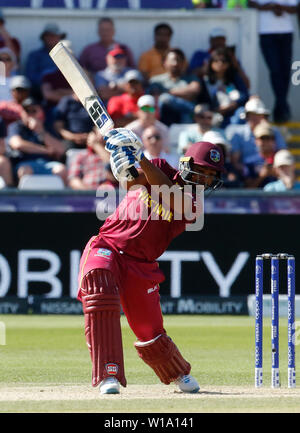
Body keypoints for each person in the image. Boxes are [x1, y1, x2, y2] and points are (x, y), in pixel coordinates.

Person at [77, 127, 225, 395]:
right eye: (202, 171)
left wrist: (140, 156)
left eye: (211, 176)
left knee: (150, 331)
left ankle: (177, 372)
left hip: (142, 265)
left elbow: (170, 196)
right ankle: (107, 374)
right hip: (108, 245)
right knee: (99, 290)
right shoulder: (158, 166)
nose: (205, 179)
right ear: (186, 164)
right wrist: (122, 160)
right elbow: (131, 181)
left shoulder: (193, 205)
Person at [249, 0, 298, 122]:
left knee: (285, 72)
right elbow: (251, 3)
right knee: (275, 70)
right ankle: (282, 108)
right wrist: (268, 7)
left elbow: (295, 7)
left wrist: (280, 8)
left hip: (286, 33)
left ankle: (280, 108)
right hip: (266, 33)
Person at [7, 97, 67, 186]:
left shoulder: (47, 127)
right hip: (25, 163)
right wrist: (46, 150)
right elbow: (17, 144)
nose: (30, 114)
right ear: (22, 112)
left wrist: (40, 131)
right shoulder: (16, 126)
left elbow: (61, 149)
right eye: (27, 111)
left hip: (47, 164)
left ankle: (57, 199)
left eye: (34, 111)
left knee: (61, 170)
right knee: (25, 171)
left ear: (41, 112)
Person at [226, 97, 286, 176]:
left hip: (272, 173)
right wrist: (250, 172)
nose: (256, 118)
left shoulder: (274, 131)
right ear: (247, 116)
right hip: (246, 175)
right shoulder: (237, 133)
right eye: (253, 115)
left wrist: (271, 170)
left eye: (259, 115)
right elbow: (235, 162)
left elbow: (283, 154)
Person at [198, 47, 249, 127]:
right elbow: (202, 100)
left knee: (241, 113)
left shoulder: (234, 78)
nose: (220, 63)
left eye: (223, 61)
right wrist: (215, 109)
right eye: (216, 60)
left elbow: (244, 95)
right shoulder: (205, 81)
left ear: (228, 63)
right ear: (211, 63)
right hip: (213, 113)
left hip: (232, 113)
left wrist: (232, 105)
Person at [149, 48, 201, 126]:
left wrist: (168, 93)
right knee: (163, 99)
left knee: (166, 98)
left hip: (187, 113)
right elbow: (154, 98)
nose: (175, 63)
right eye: (173, 60)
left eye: (179, 60)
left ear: (183, 63)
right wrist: (184, 95)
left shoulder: (190, 78)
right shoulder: (156, 80)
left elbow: (194, 90)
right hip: (165, 116)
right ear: (164, 62)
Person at [25, 23, 66, 92]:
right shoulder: (34, 55)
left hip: (66, 91)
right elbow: (31, 77)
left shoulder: (68, 55)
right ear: (43, 38)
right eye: (48, 36)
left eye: (53, 36)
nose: (50, 38)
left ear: (59, 37)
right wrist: (50, 80)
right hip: (43, 92)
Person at [243, 122, 277, 188]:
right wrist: (262, 176)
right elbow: (248, 189)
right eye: (263, 138)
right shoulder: (250, 162)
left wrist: (278, 174)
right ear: (256, 141)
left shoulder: (282, 159)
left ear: (274, 140)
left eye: (269, 138)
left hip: (279, 198)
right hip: (256, 198)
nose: (266, 142)